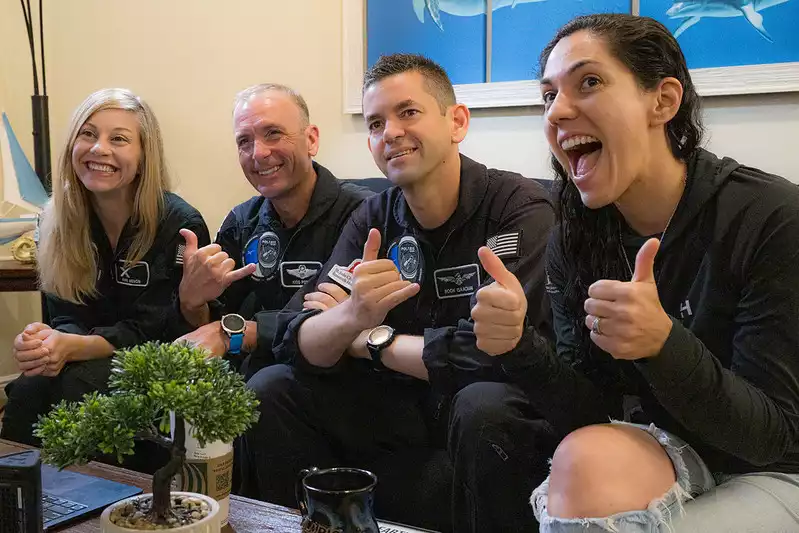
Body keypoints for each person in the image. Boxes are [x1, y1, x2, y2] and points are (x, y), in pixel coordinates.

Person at [471, 14, 799, 532]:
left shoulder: (769, 216)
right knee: (583, 458)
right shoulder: (576, 236)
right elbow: (589, 412)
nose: (557, 111)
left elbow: (772, 437)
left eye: (589, 82)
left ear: (663, 101)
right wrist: (518, 345)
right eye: (549, 95)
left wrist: (662, 344)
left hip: (774, 467)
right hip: (669, 448)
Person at [241, 54, 557, 533]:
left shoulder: (518, 208)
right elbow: (299, 336)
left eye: (407, 112)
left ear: (457, 122)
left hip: (480, 415)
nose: (389, 132)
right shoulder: (372, 216)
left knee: (483, 403)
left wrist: (371, 340)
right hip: (393, 412)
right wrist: (351, 318)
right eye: (375, 123)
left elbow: (499, 353)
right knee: (273, 386)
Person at [2, 88, 210, 445]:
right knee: (26, 391)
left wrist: (73, 347)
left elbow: (157, 331)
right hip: (83, 360)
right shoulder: (55, 221)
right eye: (88, 134)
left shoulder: (179, 224)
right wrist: (44, 342)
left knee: (71, 389)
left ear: (144, 156)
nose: (99, 148)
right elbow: (65, 314)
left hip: (157, 366)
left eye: (118, 139)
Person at [172, 84, 371, 377]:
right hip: (248, 378)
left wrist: (241, 332)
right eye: (244, 141)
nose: (259, 153)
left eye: (273, 133)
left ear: (311, 140)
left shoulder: (363, 215)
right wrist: (191, 301)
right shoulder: (242, 222)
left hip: (334, 379)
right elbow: (212, 329)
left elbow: (329, 321)